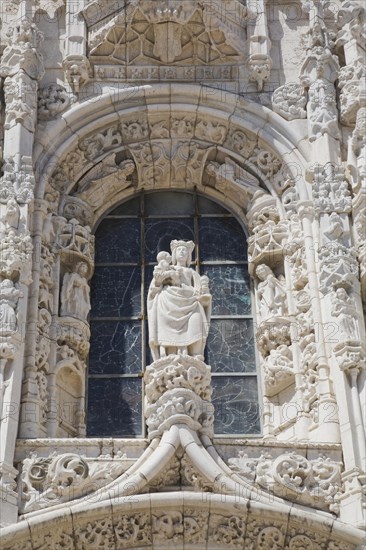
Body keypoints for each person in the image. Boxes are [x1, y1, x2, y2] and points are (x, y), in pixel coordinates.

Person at [147, 240, 212, 361]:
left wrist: (203, 296)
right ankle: (169, 354)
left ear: (189, 256)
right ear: (174, 254)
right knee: (168, 324)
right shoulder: (166, 268)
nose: (182, 252)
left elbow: (199, 291)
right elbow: (154, 287)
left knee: (197, 320)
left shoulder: (192, 273)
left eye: (185, 251)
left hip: (191, 302)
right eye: (179, 250)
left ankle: (195, 354)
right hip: (168, 302)